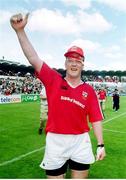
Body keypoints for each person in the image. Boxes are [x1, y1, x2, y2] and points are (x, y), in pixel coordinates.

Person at [10, 13, 106, 179]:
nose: (73, 63)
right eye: (70, 60)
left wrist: (100, 144)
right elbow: (33, 58)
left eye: (77, 60)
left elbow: (96, 118)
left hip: (80, 141)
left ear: (83, 64)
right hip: (55, 141)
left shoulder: (89, 91)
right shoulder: (53, 79)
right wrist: (20, 31)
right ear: (65, 63)